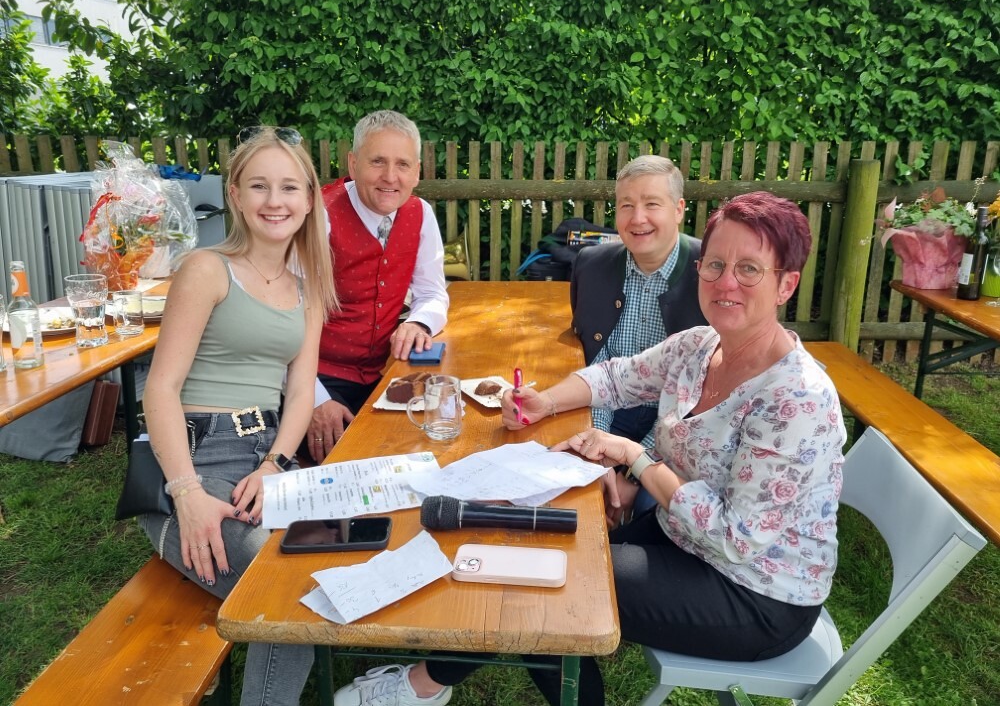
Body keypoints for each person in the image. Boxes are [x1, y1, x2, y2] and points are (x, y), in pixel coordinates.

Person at [332, 192, 846, 706]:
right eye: (715, 264)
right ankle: (428, 683)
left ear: (786, 284)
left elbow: (737, 539)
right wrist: (545, 402)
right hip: (682, 536)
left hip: (754, 592)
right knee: (538, 557)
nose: (726, 282)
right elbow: (617, 377)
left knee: (548, 587)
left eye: (749, 269)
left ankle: (423, 685)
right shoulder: (700, 345)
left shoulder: (796, 398)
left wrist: (634, 457)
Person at [139, 126, 338, 706]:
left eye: (289, 187)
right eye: (259, 186)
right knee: (287, 586)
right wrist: (187, 493)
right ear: (235, 194)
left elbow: (299, 394)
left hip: (266, 457)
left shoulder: (309, 287)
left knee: (335, 558)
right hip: (194, 460)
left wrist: (276, 464)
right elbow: (160, 389)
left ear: (309, 200)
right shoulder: (207, 269)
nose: (275, 201)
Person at [307, 110, 449, 462]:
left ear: (417, 171)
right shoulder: (318, 216)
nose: (390, 176)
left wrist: (418, 322)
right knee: (349, 462)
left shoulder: (420, 213)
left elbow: (433, 293)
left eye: (402, 164)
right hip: (318, 376)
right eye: (377, 162)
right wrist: (313, 400)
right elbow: (281, 318)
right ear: (353, 164)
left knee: (435, 433)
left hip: (386, 370)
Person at [571, 154, 706, 523]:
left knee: (654, 514)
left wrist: (635, 472)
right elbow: (596, 363)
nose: (637, 218)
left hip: (679, 430)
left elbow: (703, 397)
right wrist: (597, 451)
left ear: (679, 210)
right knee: (559, 487)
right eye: (626, 205)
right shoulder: (590, 265)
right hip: (604, 414)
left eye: (652, 204)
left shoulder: (711, 275)